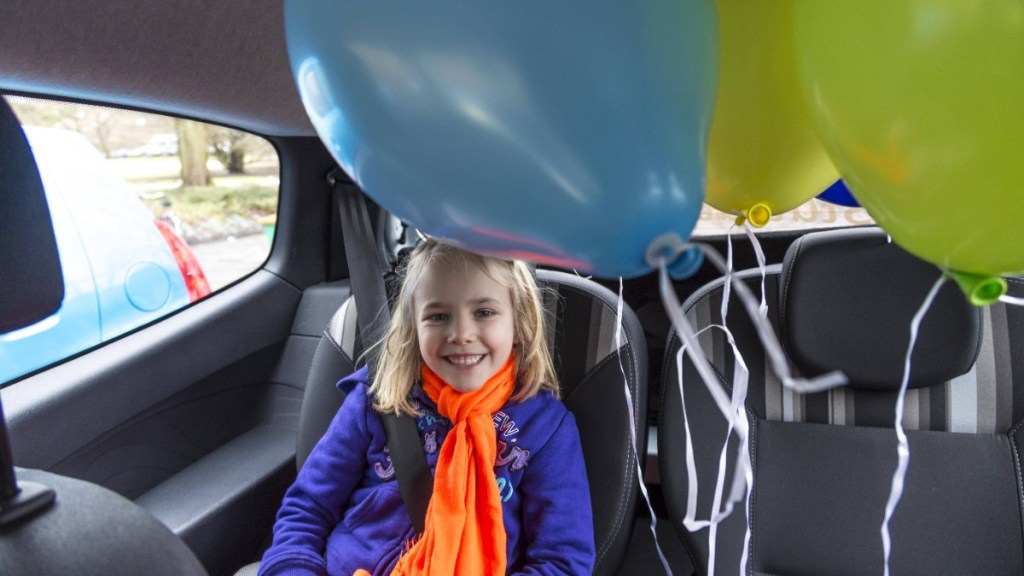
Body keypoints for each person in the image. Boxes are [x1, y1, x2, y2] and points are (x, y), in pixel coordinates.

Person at [258, 238, 595, 576]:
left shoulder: (546, 427)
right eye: (438, 316)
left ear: (519, 325)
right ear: (413, 329)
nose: (461, 333)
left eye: (484, 312)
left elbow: (562, 561)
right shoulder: (378, 399)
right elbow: (308, 508)